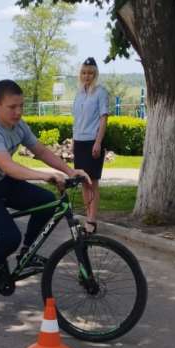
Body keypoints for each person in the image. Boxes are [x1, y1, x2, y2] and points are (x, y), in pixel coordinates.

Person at [0, 79, 88, 302]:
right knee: (9, 237)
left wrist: (69, 171)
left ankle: (27, 252)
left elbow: (41, 151)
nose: (18, 112)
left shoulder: (19, 127)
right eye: (12, 107)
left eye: (21, 106)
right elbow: (8, 166)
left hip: (0, 183)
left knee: (46, 202)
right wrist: (45, 175)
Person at [72, 57, 109, 234]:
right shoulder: (79, 93)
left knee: (92, 183)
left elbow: (103, 118)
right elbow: (77, 120)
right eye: (84, 73)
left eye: (90, 73)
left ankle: (92, 220)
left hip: (92, 143)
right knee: (82, 182)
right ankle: (87, 216)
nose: (87, 76)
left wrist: (98, 142)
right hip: (79, 142)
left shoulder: (100, 92)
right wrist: (73, 141)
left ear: (95, 74)